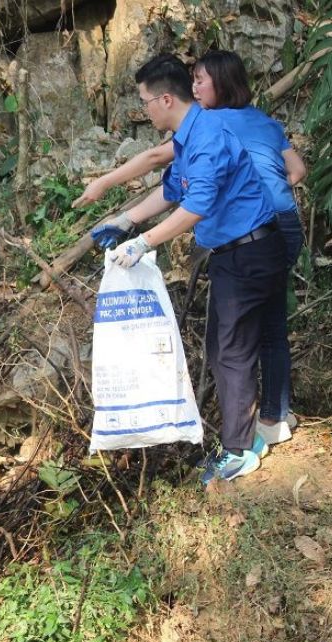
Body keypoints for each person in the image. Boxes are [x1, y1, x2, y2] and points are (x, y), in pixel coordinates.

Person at [74, 51, 306, 448]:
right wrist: (127, 220)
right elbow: (171, 191)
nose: (144, 110)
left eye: (145, 101)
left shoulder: (209, 133)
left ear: (165, 100)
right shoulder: (192, 134)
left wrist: (144, 241)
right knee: (239, 345)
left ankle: (239, 450)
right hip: (249, 247)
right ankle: (265, 424)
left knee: (230, 353)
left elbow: (195, 205)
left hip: (248, 251)